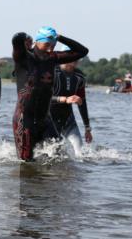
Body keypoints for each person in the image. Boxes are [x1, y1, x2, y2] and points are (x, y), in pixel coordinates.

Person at [11, 26, 88, 161]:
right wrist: (24, 38)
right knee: (26, 163)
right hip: (25, 120)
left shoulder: (53, 58)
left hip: (45, 120)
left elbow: (83, 51)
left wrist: (60, 37)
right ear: (37, 41)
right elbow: (16, 39)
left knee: (60, 158)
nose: (50, 47)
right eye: (47, 43)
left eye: (53, 44)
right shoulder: (24, 57)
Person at [48, 51, 92, 155]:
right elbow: (41, 98)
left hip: (68, 120)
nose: (77, 59)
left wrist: (87, 128)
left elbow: (82, 102)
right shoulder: (52, 72)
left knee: (80, 154)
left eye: (77, 58)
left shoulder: (79, 76)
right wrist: (63, 99)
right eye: (73, 56)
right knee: (53, 154)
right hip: (49, 120)